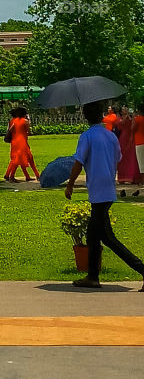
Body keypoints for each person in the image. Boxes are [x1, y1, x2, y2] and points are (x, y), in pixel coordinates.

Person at [66, 100, 144, 290]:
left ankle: (141, 268)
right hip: (107, 189)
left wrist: (70, 185)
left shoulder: (86, 137)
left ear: (85, 116)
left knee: (108, 238)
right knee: (94, 236)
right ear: (101, 115)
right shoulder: (110, 137)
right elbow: (117, 158)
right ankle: (92, 276)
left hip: (98, 192)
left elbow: (78, 162)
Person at [4, 107, 40, 181]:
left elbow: (10, 129)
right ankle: (36, 175)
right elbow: (29, 131)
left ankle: (10, 175)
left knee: (16, 159)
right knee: (28, 158)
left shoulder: (13, 121)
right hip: (22, 141)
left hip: (14, 141)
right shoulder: (25, 121)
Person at [116, 106, 141, 186]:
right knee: (122, 157)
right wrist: (124, 119)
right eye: (123, 109)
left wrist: (131, 118)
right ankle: (122, 177)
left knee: (131, 158)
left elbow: (133, 126)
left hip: (130, 138)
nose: (125, 110)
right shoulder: (119, 117)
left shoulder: (131, 117)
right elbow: (119, 126)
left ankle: (132, 176)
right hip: (123, 138)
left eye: (126, 109)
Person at [134, 103, 144, 185]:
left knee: (141, 162)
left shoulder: (138, 119)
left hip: (139, 141)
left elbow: (133, 128)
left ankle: (142, 180)